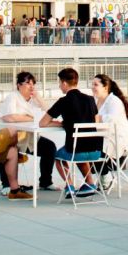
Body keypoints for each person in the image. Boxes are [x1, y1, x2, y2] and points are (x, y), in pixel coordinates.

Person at [40, 68, 102, 198]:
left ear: (64, 83)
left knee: (59, 158)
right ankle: (90, 183)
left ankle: (69, 186)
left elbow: (43, 123)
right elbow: (96, 120)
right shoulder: (90, 99)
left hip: (76, 148)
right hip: (95, 149)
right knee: (79, 150)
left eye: (59, 83)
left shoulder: (63, 101)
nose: (59, 86)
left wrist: (62, 123)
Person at [0, 71, 57, 193]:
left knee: (49, 147)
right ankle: (6, 184)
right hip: (10, 136)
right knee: (7, 149)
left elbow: (50, 114)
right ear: (19, 85)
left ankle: (45, 182)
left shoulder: (33, 100)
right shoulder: (13, 97)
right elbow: (9, 117)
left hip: (27, 137)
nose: (31, 86)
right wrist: (31, 117)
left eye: (33, 83)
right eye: (28, 83)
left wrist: (39, 98)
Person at [91, 74, 128, 190]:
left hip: (116, 138)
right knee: (82, 145)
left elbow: (111, 120)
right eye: (92, 84)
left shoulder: (114, 101)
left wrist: (96, 118)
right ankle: (103, 176)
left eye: (96, 85)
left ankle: (105, 176)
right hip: (101, 135)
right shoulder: (95, 101)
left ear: (105, 87)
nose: (93, 87)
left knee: (90, 146)